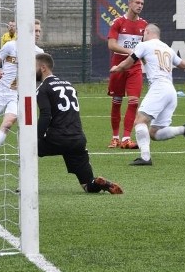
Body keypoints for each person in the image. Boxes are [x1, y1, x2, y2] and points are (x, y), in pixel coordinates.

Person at [110, 23, 185, 166]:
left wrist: (116, 68)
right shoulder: (167, 48)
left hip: (159, 88)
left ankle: (145, 158)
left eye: (144, 34)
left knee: (139, 121)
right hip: (171, 91)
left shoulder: (144, 45)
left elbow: (127, 63)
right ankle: (184, 129)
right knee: (154, 133)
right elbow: (184, 65)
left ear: (147, 32)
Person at [35, 53, 123, 194]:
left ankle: (24, 186)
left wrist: (36, 137)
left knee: (27, 148)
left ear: (43, 68)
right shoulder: (69, 85)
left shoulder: (43, 88)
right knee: (88, 185)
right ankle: (100, 183)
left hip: (57, 139)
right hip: (77, 139)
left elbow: (46, 115)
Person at [0, 19, 43, 164]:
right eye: (35, 31)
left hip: (16, 95)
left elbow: (40, 76)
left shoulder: (39, 53)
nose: (38, 34)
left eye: (39, 31)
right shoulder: (10, 46)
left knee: (8, 124)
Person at [106, 0, 148, 150]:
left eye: (142, 4)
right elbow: (111, 45)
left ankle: (126, 138)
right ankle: (115, 137)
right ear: (129, 4)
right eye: (137, 3)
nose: (140, 6)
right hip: (118, 66)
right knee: (117, 101)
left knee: (134, 102)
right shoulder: (118, 22)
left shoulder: (144, 25)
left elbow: (146, 48)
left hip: (135, 67)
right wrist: (130, 52)